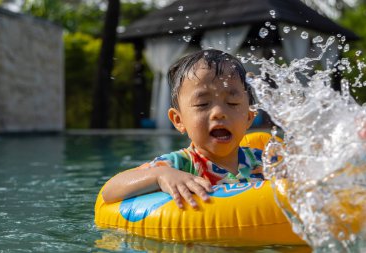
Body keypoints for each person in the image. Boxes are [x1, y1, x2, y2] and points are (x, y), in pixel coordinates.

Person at [102, 49, 262, 209]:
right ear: (178, 120)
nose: (219, 113)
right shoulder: (179, 164)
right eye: (202, 104)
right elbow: (109, 190)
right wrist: (160, 176)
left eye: (232, 103)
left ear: (249, 117)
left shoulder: (264, 162)